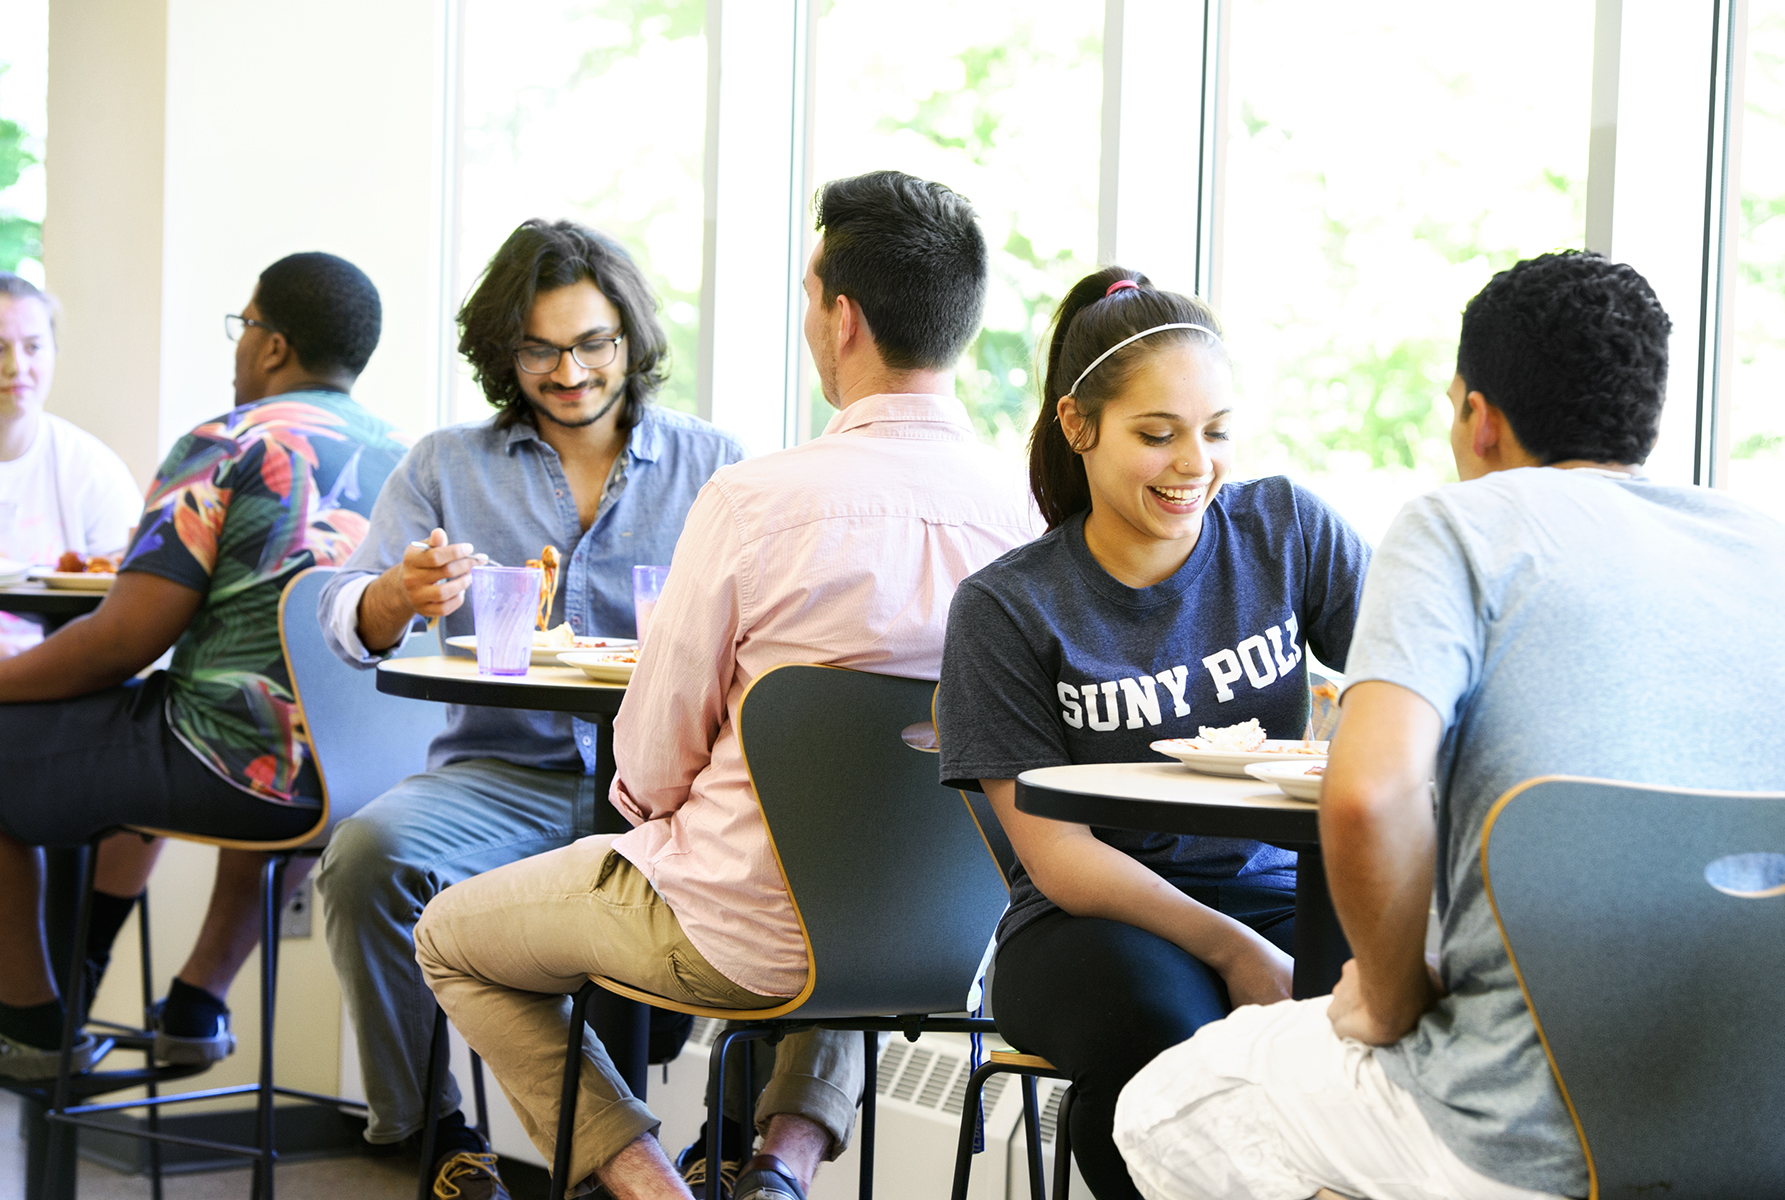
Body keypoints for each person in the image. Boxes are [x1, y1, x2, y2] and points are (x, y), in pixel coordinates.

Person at [1113, 250, 1785, 1200]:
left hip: (1520, 1132)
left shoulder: (1461, 527)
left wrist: (1389, 1000)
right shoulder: (1774, 547)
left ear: (1478, 418)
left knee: (1167, 1103)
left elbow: (1366, 795)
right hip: (1768, 1118)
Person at [411, 170, 1039, 1200]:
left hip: (732, 933)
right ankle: (778, 1172)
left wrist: (656, 817)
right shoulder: (1032, 515)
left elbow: (650, 762)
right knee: (849, 897)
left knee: (449, 938)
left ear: (841, 317)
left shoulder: (757, 502)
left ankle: (655, 1190)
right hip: (939, 932)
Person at [315, 219, 745, 1197]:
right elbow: (346, 617)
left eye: (592, 343)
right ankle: (439, 1142)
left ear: (629, 338)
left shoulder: (716, 467)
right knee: (365, 861)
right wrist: (399, 596)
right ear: (503, 353)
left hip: (662, 785)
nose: (570, 371)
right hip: (500, 776)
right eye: (540, 349)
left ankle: (735, 1154)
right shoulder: (446, 465)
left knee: (811, 858)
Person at [934, 267, 1370, 1200]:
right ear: (1078, 426)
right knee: (1161, 1046)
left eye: (1215, 433)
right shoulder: (1007, 608)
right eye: (1157, 435)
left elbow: (1414, 681)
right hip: (1086, 925)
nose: (1194, 465)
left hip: (1284, 893)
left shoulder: (1285, 530)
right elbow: (1055, 856)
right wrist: (1233, 950)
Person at [0, 252, 405, 1079]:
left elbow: (123, 641)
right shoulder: (416, 458)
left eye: (244, 325)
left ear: (273, 344)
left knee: (137, 723)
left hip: (228, 765)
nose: (238, 347)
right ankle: (196, 1003)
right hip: (360, 773)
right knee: (270, 730)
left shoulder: (227, 442)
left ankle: (33, 1023)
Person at [0, 272, 143, 657]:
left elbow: (129, 602)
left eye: (33, 347)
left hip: (53, 681)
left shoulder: (92, 469)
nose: (16, 367)